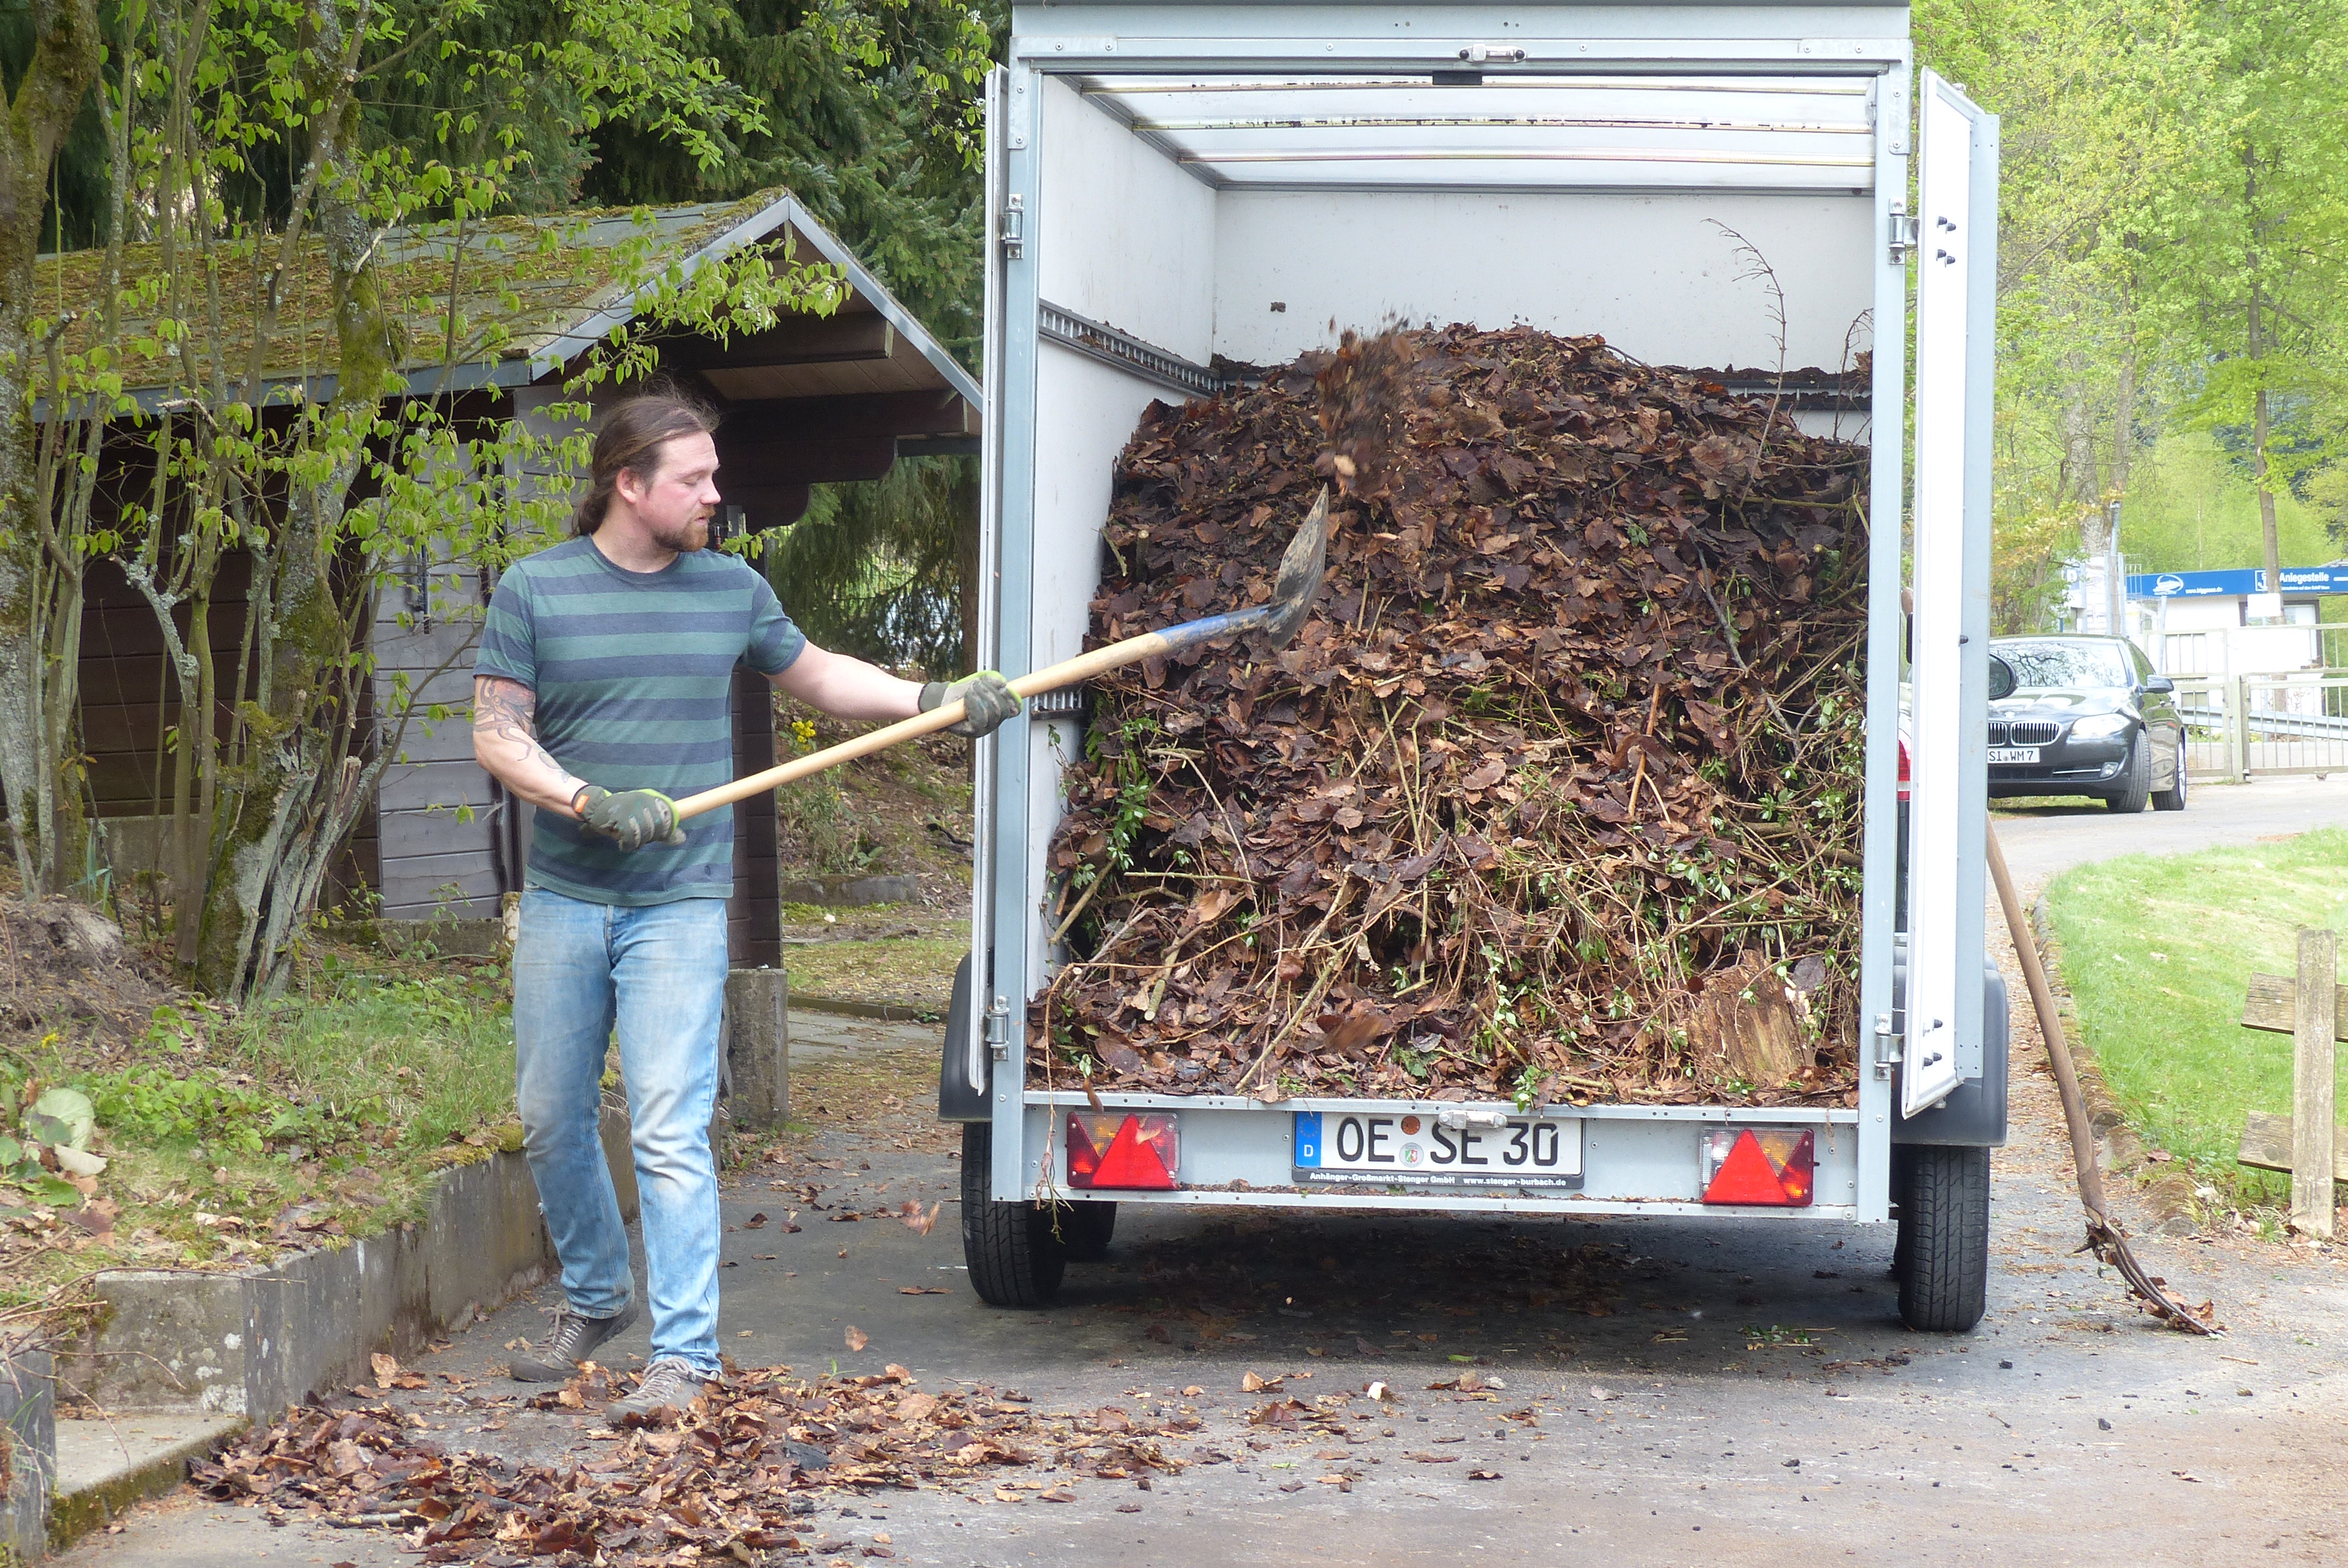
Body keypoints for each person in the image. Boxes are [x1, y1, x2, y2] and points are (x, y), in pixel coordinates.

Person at [470, 393, 1017, 1421]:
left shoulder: (730, 588)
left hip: (679, 904)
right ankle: (598, 1296)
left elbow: (821, 677)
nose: (715, 493)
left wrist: (932, 699)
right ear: (629, 484)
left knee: (670, 1127)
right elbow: (498, 733)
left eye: (713, 475)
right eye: (694, 478)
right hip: (566, 898)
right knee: (549, 1117)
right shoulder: (537, 588)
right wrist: (587, 799)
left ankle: (684, 1356)